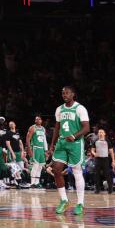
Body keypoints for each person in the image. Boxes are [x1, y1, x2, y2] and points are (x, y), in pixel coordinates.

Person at [48, 85, 90, 215]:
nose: (64, 95)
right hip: (62, 143)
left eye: (67, 93)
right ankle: (64, 201)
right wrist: (52, 144)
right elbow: (57, 127)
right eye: (63, 93)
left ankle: (80, 203)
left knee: (77, 172)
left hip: (75, 143)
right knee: (56, 169)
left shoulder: (80, 108)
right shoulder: (59, 109)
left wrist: (74, 136)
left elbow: (86, 128)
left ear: (73, 94)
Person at [25, 115, 48, 188]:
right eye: (36, 119)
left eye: (39, 119)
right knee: (35, 166)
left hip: (41, 149)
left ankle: (37, 182)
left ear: (41, 121)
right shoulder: (32, 128)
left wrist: (46, 150)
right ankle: (32, 183)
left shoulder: (43, 129)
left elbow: (44, 140)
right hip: (35, 148)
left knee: (40, 167)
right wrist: (29, 149)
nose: (37, 120)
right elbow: (28, 139)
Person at [93, 128, 113, 195]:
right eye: (99, 132)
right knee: (96, 174)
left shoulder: (107, 141)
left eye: (102, 132)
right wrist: (94, 153)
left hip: (105, 159)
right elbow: (92, 150)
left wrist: (113, 161)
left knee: (107, 174)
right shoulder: (95, 140)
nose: (100, 133)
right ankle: (97, 189)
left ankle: (110, 189)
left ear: (104, 133)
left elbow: (111, 152)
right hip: (98, 159)